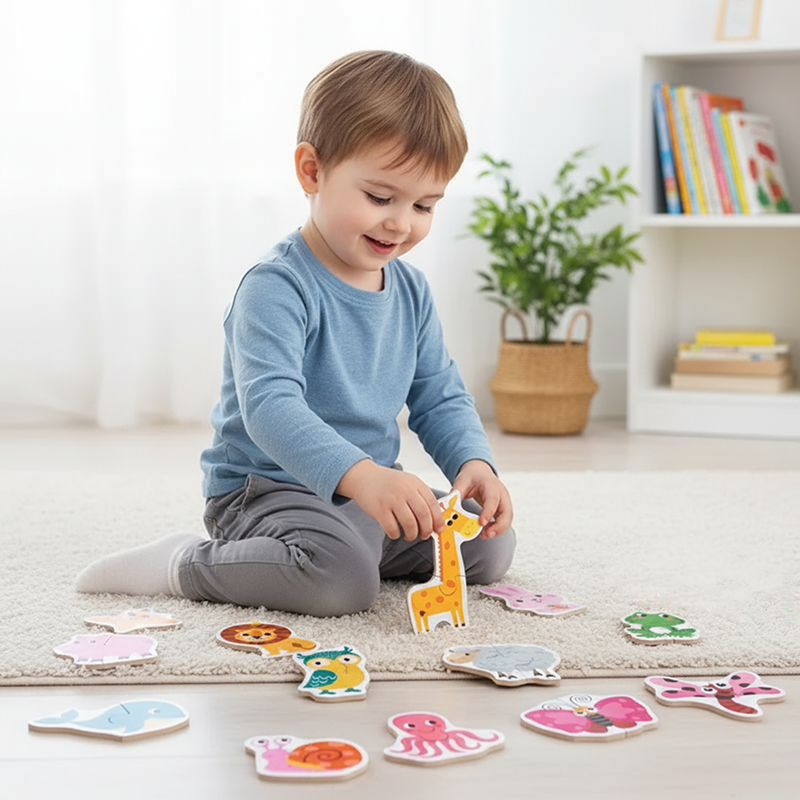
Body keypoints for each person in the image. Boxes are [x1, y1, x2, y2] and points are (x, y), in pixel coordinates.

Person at [76, 50, 515, 617]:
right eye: (379, 198)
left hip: (365, 493)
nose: (401, 223)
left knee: (490, 544)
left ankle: (349, 550)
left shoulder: (411, 291)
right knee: (341, 585)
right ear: (312, 170)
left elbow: (439, 394)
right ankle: (184, 562)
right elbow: (270, 408)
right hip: (267, 491)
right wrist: (364, 478)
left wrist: (472, 464)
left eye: (424, 205)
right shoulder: (275, 286)